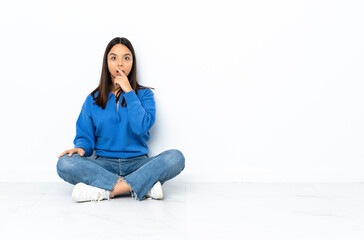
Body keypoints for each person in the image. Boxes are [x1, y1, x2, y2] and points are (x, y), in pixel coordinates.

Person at [56, 37, 185, 202]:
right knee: (65, 164)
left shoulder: (144, 95)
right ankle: (142, 186)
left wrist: (129, 91)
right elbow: (85, 138)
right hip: (104, 165)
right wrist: (81, 148)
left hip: (138, 164)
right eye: (113, 58)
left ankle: (105, 191)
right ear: (106, 62)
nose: (120, 63)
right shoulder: (93, 99)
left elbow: (141, 127)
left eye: (126, 58)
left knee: (175, 157)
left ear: (133, 63)